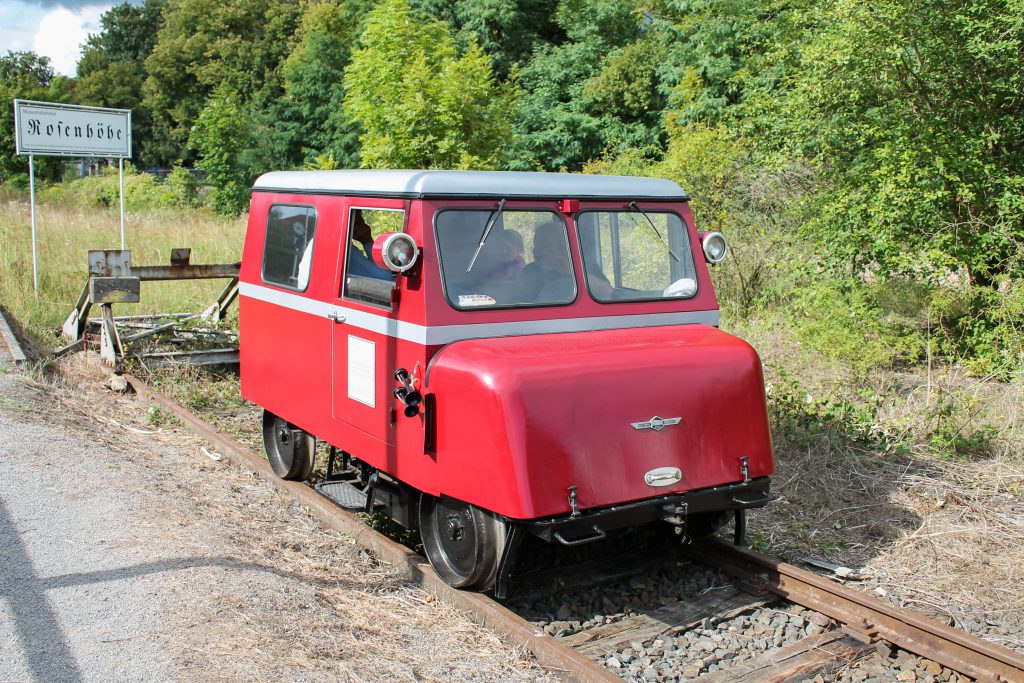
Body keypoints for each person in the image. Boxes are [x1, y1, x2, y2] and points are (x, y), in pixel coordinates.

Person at [516, 221, 574, 303]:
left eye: (546, 246)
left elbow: (598, 289)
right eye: (536, 245)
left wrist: (570, 273)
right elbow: (520, 302)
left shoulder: (582, 267)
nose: (535, 251)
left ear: (562, 248)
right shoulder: (529, 271)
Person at [347, 211, 393, 280]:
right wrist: (367, 240)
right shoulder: (348, 252)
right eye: (359, 223)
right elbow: (384, 279)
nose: (366, 226)